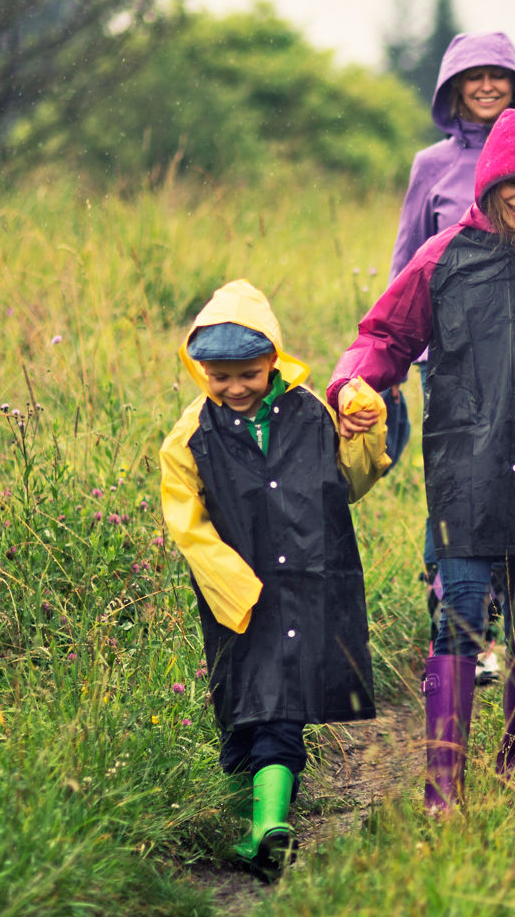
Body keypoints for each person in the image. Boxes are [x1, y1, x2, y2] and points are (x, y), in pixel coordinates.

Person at [331, 109, 515, 814]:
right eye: (514, 183)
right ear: (490, 180)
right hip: (465, 468)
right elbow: (384, 337)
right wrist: (356, 385)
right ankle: (443, 787)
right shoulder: (443, 258)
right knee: (457, 614)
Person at [159, 280, 392, 876]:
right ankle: (251, 816)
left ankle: (269, 828)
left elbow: (349, 483)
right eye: (219, 376)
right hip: (240, 594)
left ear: (273, 362)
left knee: (281, 708)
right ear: (199, 370)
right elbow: (186, 520)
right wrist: (229, 581)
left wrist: (363, 431)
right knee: (242, 711)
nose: (235, 388)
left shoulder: (314, 413)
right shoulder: (191, 436)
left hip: (310, 582)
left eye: (249, 374)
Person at [384, 32, 515, 688]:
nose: (486, 87)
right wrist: (397, 357)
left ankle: (492, 631)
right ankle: (458, 627)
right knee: (458, 491)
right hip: (453, 358)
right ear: (450, 88)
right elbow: (409, 260)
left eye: (497, 77)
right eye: (471, 78)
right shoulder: (429, 165)